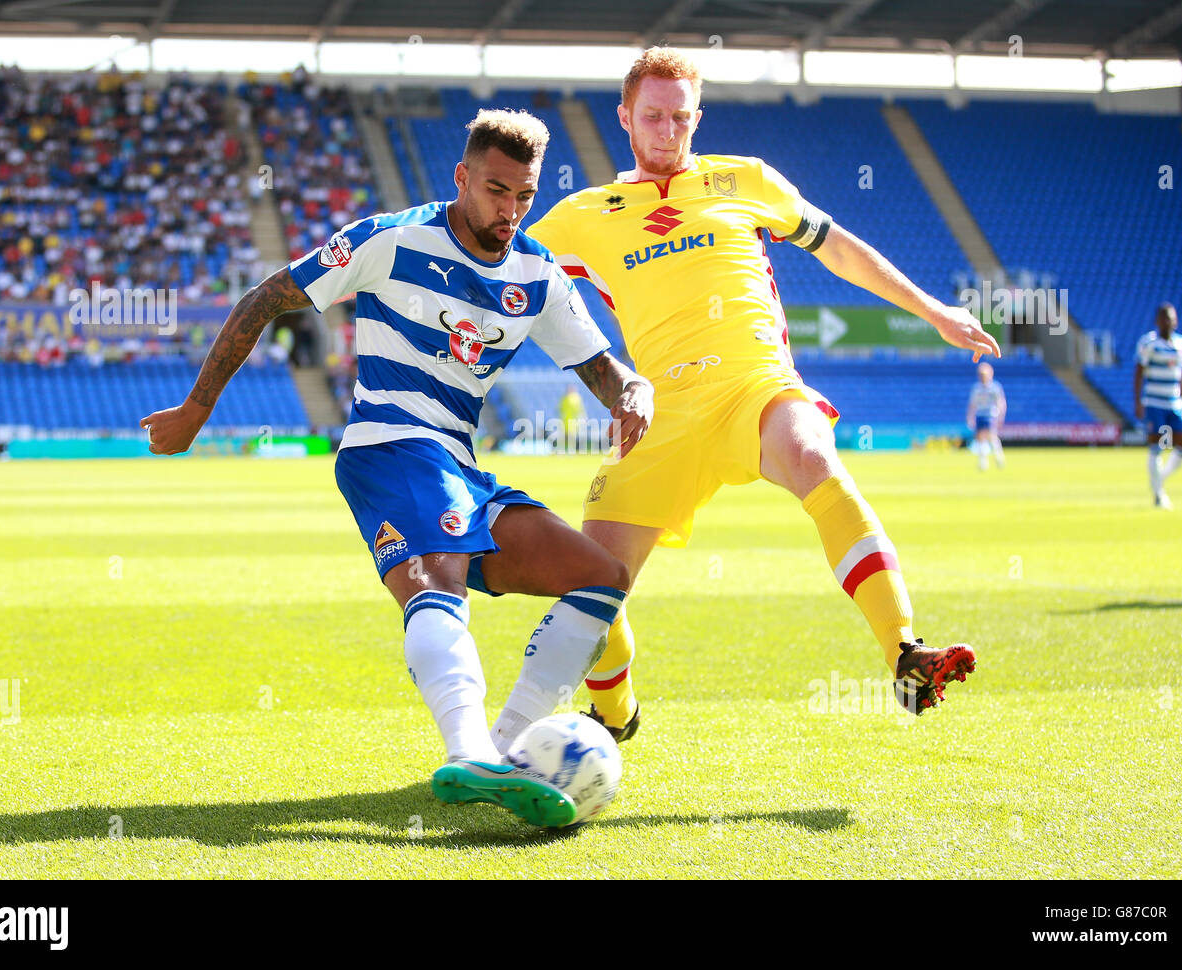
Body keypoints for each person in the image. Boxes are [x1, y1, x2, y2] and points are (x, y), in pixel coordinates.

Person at [141, 110, 655, 827]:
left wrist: (633, 391)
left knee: (602, 579)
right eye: (496, 190)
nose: (509, 210)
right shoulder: (391, 239)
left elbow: (603, 369)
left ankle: (502, 748)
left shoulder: (537, 275)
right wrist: (197, 408)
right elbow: (267, 296)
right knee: (438, 579)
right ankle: (468, 749)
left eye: (524, 196)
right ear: (463, 177)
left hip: (462, 468)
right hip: (389, 443)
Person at [529, 48, 999, 727]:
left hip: (756, 385)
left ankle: (904, 652)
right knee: (591, 582)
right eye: (653, 117)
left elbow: (838, 247)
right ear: (626, 117)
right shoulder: (582, 215)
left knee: (814, 455)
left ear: (698, 118)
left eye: (681, 119)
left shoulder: (743, 179)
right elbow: (506, 276)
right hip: (660, 413)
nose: (666, 132)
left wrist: (934, 312)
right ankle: (614, 713)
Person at [1134, 303, 1182, 509]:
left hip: (1174, 403)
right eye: (1164, 318)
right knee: (1157, 448)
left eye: (1171, 318)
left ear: (1176, 320)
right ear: (1157, 321)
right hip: (1155, 403)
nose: (1168, 321)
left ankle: (1159, 480)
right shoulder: (1149, 343)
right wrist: (1138, 401)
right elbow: (1139, 371)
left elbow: (1181, 373)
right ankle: (1158, 495)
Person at [966, 362, 1007, 471]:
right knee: (980, 438)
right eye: (981, 374)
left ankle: (999, 457)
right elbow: (972, 404)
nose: (982, 376)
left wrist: (1000, 415)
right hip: (980, 414)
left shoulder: (995, 387)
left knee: (991, 436)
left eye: (984, 374)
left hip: (990, 414)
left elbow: (1001, 402)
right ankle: (983, 462)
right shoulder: (976, 388)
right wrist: (970, 417)